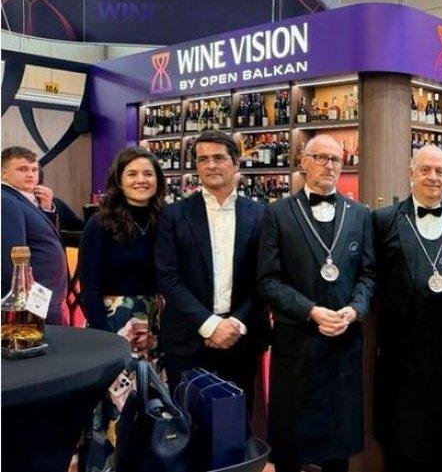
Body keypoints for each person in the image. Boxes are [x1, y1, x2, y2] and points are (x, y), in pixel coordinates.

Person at [258, 134, 376, 472]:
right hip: (296, 344)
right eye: (321, 158)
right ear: (303, 162)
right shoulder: (278, 213)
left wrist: (354, 310)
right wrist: (311, 311)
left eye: (335, 159)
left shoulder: (360, 214)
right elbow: (267, 280)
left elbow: (369, 274)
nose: (329, 165)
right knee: (290, 445)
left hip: (343, 344)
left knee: (339, 446)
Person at [372, 145, 442, 472]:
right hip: (400, 348)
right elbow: (371, 277)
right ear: (411, 174)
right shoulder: (383, 220)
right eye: (425, 170)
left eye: (440, 171)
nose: (433, 177)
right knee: (399, 427)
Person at [156, 130, 269, 401]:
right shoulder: (174, 215)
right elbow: (167, 277)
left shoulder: (261, 214)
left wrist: (236, 324)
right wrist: (210, 325)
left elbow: (266, 278)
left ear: (236, 163)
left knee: (237, 420)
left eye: (219, 158)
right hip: (188, 338)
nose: (211, 165)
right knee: (187, 419)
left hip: (241, 338)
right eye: (203, 159)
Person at [77, 146, 166, 470]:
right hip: (115, 323)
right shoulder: (100, 223)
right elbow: (90, 289)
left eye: (148, 173)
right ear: (119, 179)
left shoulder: (164, 219)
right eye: (132, 173)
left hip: (155, 325)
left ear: (158, 180)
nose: (141, 180)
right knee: (116, 404)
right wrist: (107, 340)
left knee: (153, 401)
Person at [1, 146, 69, 325]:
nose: (31, 174)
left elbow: (41, 237)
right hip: (33, 301)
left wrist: (46, 209)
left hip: (45, 297)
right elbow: (13, 256)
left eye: (34, 169)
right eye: (22, 169)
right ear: (4, 173)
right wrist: (23, 301)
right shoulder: (6, 201)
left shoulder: (21, 199)